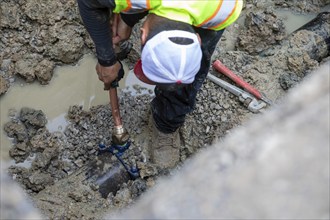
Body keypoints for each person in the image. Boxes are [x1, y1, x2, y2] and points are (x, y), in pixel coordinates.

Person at [77, 0, 243, 169]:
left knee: (187, 70)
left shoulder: (224, 10)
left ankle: (167, 122)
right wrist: (107, 58)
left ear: (198, 39)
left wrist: (127, 19)